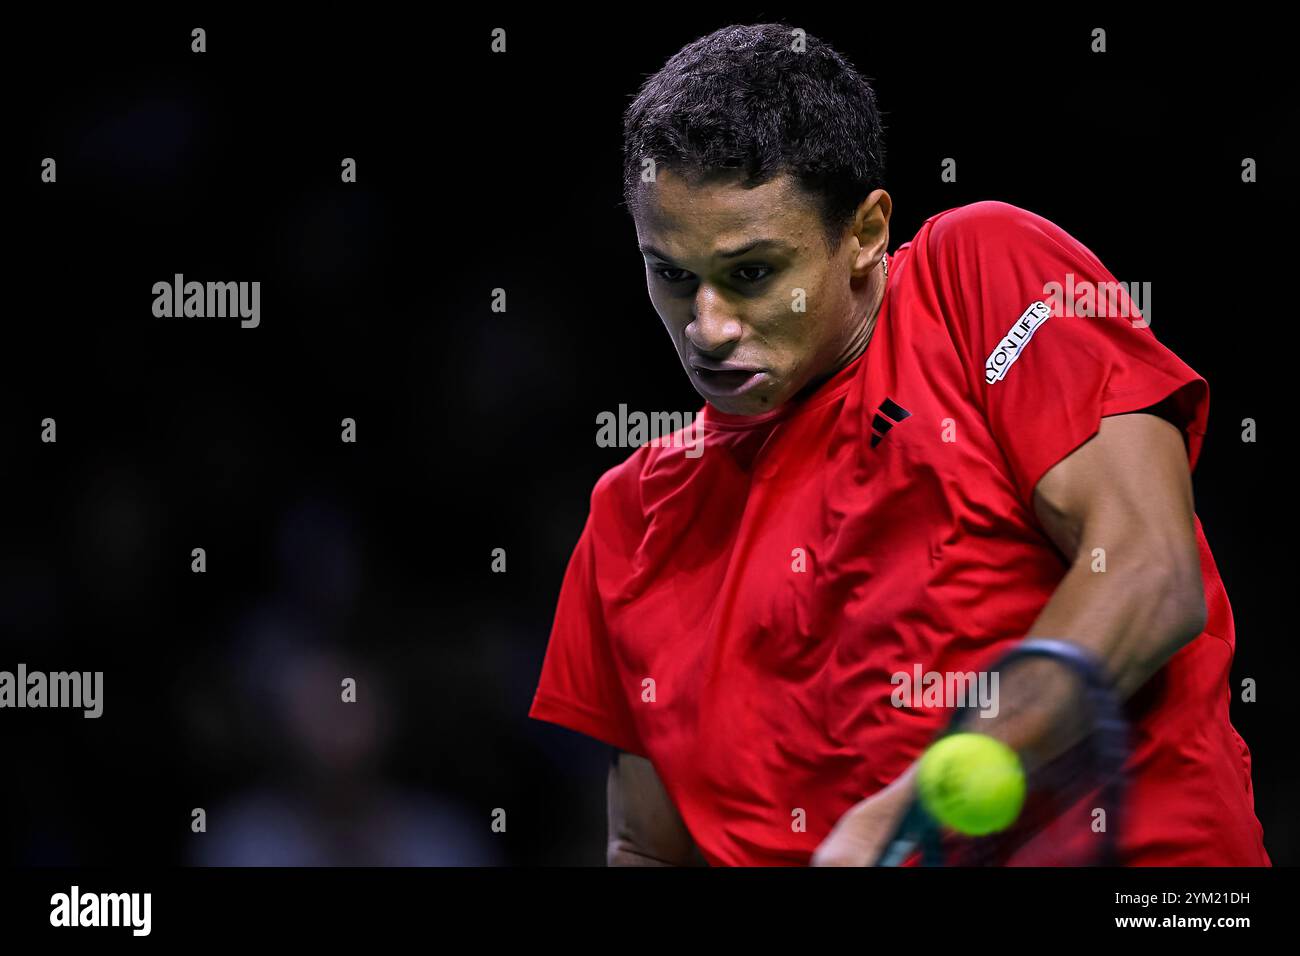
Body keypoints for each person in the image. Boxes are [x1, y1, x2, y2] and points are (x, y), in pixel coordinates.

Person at [528, 22, 1269, 866]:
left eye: (753, 272)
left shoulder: (978, 273)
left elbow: (1150, 572)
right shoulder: (631, 521)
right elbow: (647, 849)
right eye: (671, 274)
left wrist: (918, 804)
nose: (709, 328)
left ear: (868, 232)